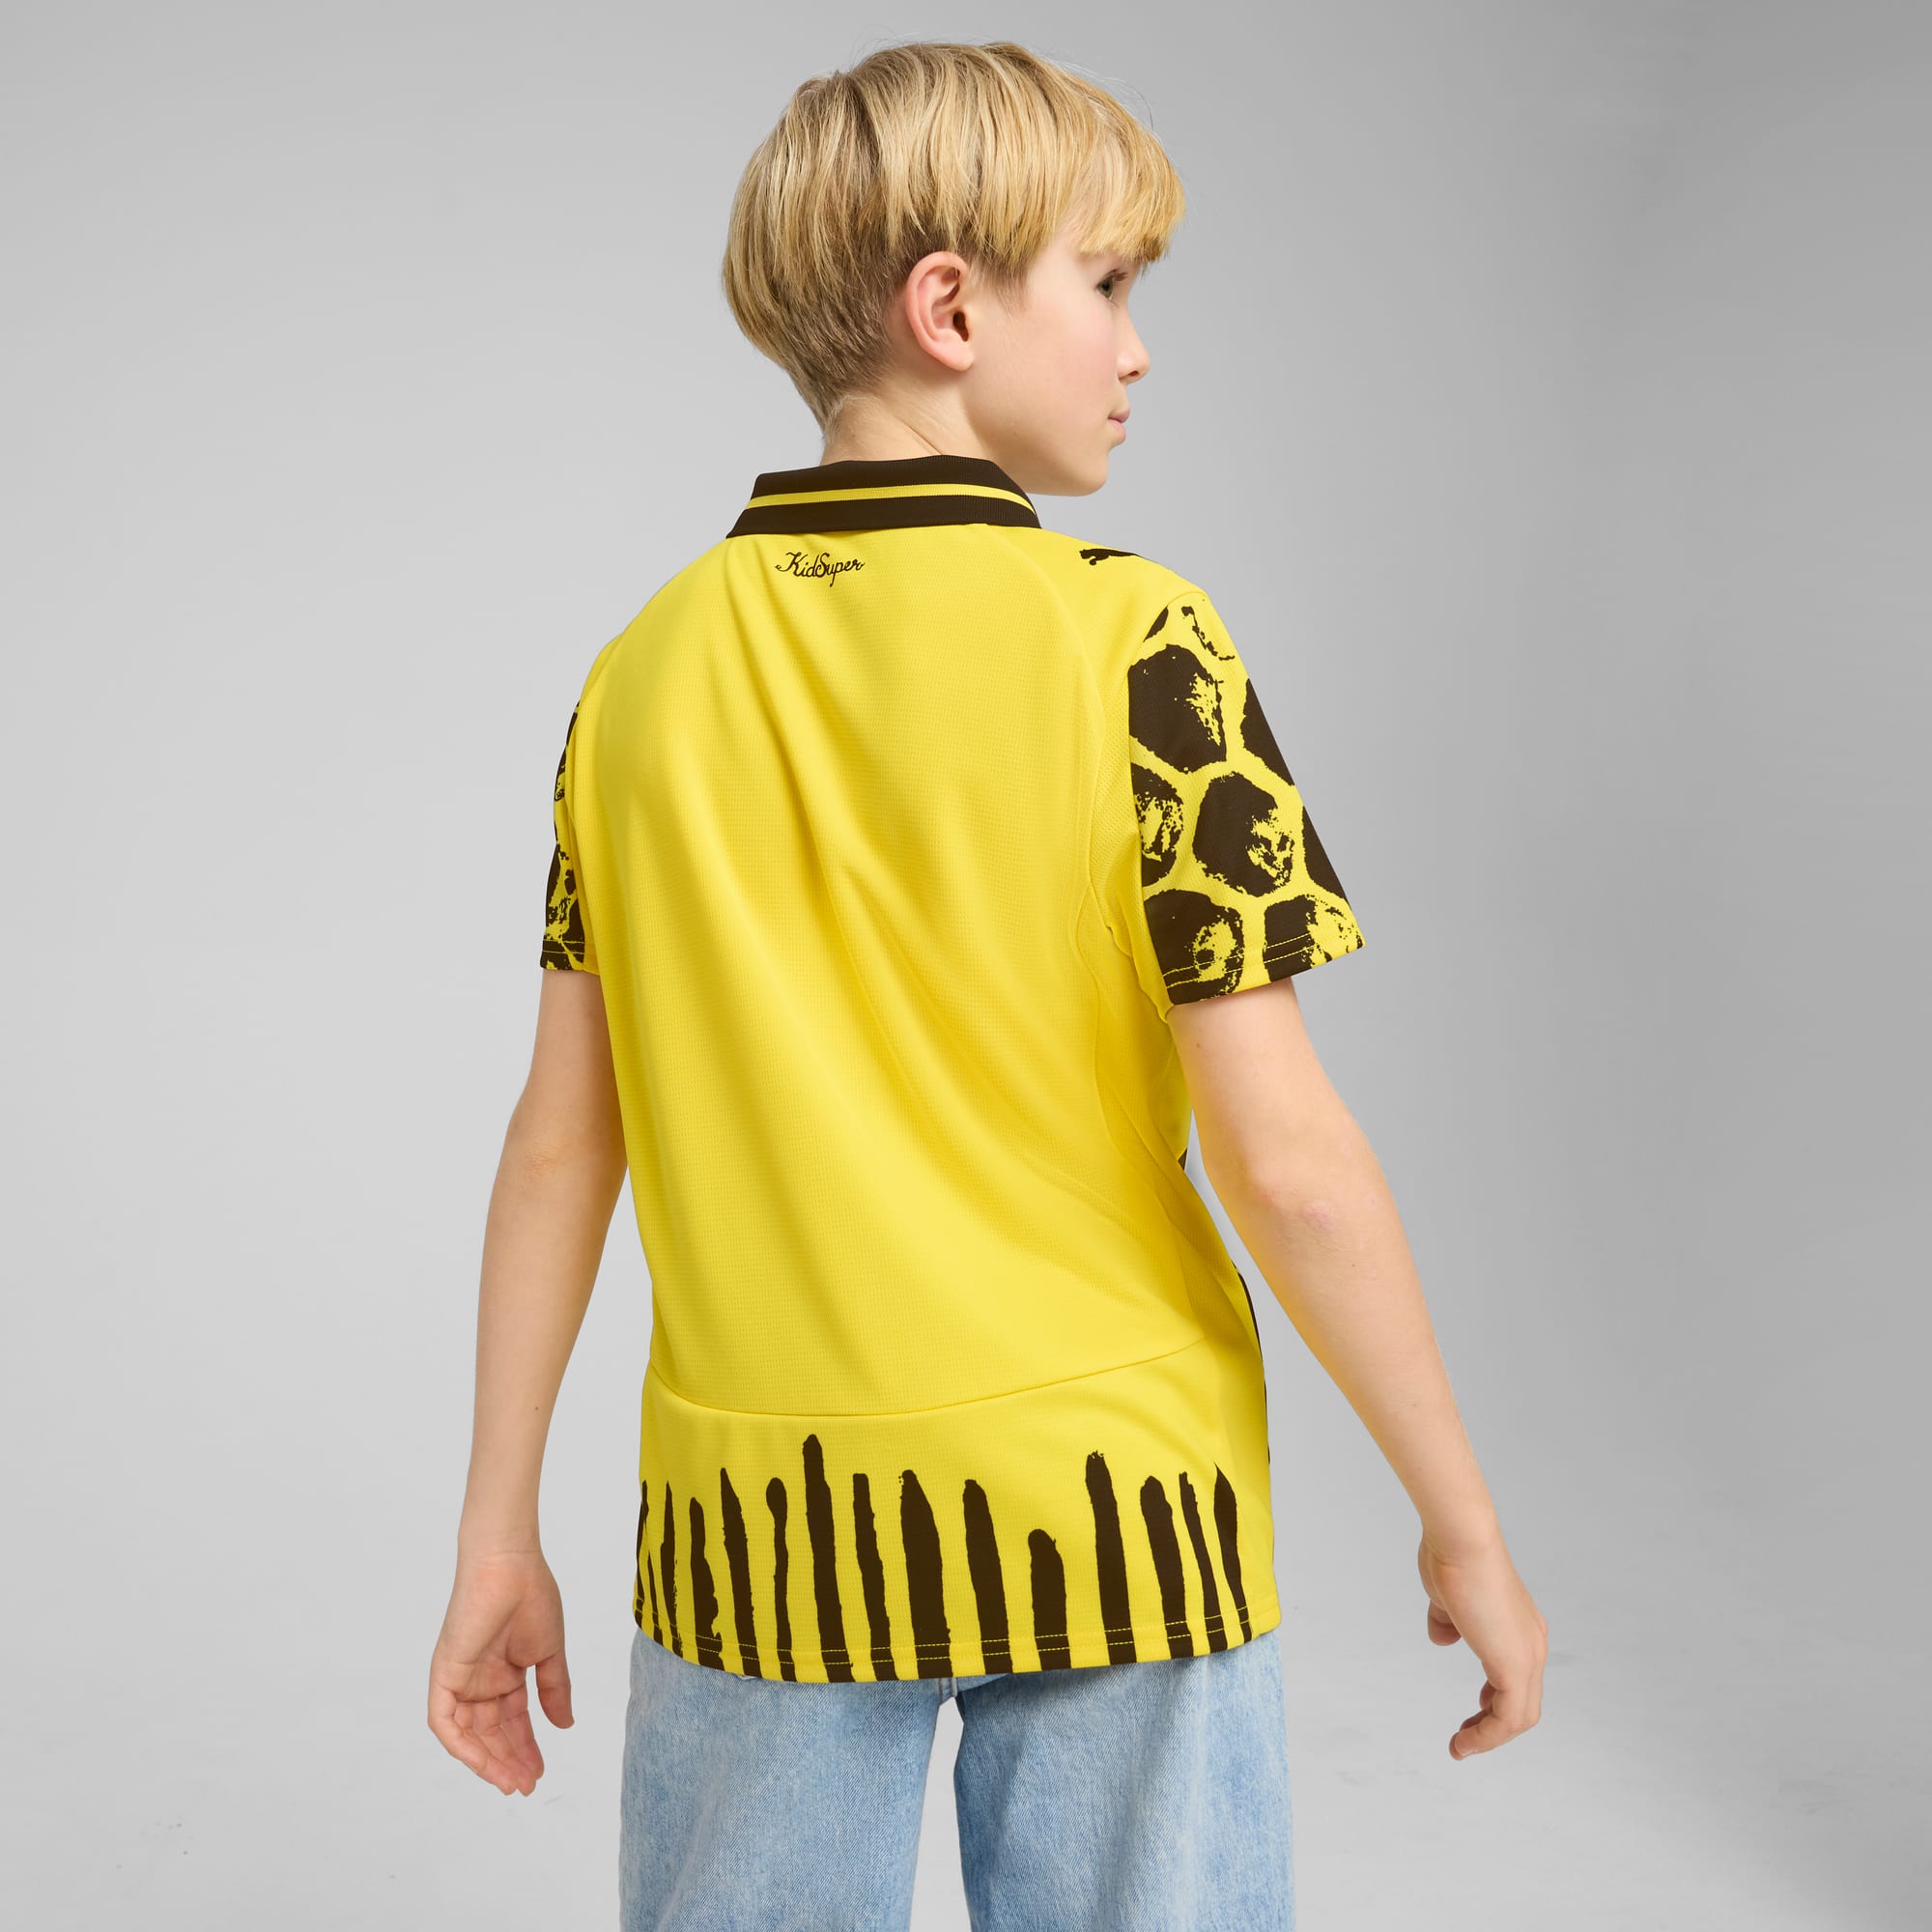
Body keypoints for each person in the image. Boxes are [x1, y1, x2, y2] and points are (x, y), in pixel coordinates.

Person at [427, 38, 1546, 1931]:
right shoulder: (1142, 648)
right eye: (1105, 283)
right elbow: (1286, 1162)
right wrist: (1464, 1521)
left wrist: (495, 1528)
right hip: (1122, 1508)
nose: (1136, 348)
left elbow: (559, 1146)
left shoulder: (636, 683)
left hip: (762, 1525)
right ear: (948, 308)